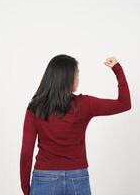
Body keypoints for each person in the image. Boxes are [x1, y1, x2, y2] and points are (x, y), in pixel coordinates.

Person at [20, 54, 131, 195]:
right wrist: (117, 69)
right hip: (77, 178)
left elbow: (26, 152)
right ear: (67, 78)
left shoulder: (35, 107)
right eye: (76, 74)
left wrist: (26, 188)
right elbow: (124, 103)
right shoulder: (85, 104)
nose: (78, 79)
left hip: (44, 178)